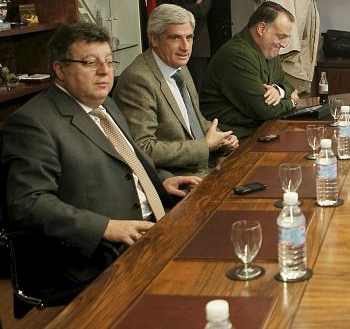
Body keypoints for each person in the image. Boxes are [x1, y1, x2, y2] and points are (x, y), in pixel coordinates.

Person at [0, 22, 200, 292]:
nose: (105, 71)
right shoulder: (33, 123)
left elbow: (128, 162)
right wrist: (105, 227)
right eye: (90, 63)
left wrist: (162, 180)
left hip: (156, 225)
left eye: (108, 61)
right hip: (96, 253)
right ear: (60, 69)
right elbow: (28, 203)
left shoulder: (106, 104)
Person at [114, 4, 238, 177]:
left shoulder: (179, 66)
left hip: (207, 164)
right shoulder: (138, 80)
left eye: (189, 37)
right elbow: (144, 148)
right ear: (154, 39)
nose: (185, 47)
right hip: (179, 177)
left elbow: (193, 122)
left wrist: (222, 137)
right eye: (175, 38)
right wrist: (205, 146)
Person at [200, 1, 299, 139]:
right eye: (280, 37)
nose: (284, 45)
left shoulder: (269, 51)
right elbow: (264, 110)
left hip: (260, 131)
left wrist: (278, 90)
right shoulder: (238, 55)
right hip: (233, 139)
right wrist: (291, 101)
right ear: (261, 29)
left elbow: (288, 86)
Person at [171, 0, 213, 89]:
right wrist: (193, 5)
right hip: (171, 43)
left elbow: (202, 10)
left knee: (197, 87)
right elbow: (163, 10)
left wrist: (175, 7)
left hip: (198, 44)